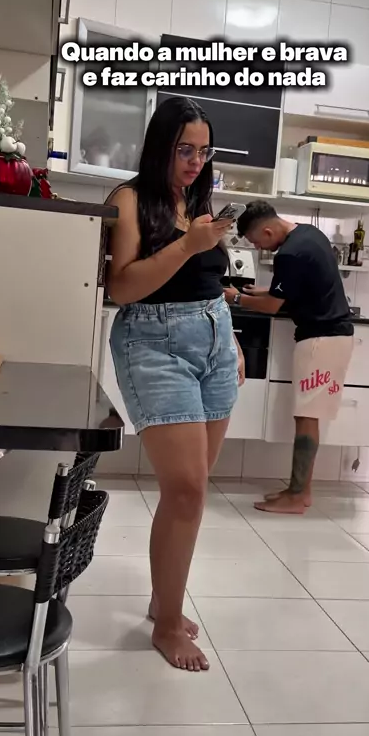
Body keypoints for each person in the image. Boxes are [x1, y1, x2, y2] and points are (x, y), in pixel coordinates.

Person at [107, 96, 244, 672]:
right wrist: (188, 244)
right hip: (153, 342)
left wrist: (231, 341)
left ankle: (163, 602)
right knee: (186, 489)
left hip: (215, 340)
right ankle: (167, 624)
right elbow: (122, 287)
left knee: (191, 491)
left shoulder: (199, 201)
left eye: (203, 151)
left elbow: (211, 282)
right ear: (161, 145)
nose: (195, 161)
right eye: (185, 149)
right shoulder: (130, 199)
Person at [224, 200, 354, 514]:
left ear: (268, 231)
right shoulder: (309, 234)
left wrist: (236, 298)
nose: (259, 247)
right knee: (306, 414)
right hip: (331, 336)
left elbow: (273, 307)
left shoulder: (289, 253)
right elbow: (292, 290)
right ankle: (299, 491)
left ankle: (298, 496)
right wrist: (260, 291)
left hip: (321, 340)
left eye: (256, 242)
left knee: (307, 416)